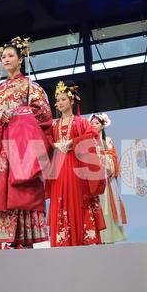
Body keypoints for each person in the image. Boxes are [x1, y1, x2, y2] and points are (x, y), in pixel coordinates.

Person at [0, 37, 52, 249]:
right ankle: (7, 241)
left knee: (22, 188)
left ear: (20, 60)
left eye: (10, 56)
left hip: (22, 147)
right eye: (3, 57)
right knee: (1, 189)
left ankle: (24, 240)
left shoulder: (31, 87)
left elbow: (44, 113)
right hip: (2, 149)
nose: (6, 59)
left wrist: (16, 114)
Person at [47, 81, 106, 246]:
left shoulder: (81, 122)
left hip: (76, 166)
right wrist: (54, 144)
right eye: (58, 100)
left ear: (72, 100)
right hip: (59, 168)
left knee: (78, 199)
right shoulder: (54, 125)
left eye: (63, 99)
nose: (59, 103)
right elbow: (46, 141)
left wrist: (73, 142)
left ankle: (81, 239)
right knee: (60, 200)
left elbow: (93, 136)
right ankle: (63, 240)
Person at [89, 113, 127, 244]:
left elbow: (113, 156)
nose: (94, 125)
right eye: (92, 123)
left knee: (108, 208)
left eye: (97, 123)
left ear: (103, 125)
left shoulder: (107, 140)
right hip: (92, 179)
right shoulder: (87, 140)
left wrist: (101, 159)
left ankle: (109, 237)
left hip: (106, 180)